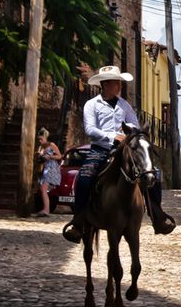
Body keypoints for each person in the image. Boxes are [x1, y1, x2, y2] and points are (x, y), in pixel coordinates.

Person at [62, 65, 140, 243]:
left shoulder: (124, 105)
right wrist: (112, 136)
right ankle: (79, 221)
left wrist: (129, 131)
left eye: (119, 82)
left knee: (150, 172)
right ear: (104, 85)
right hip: (100, 149)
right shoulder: (92, 104)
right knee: (84, 177)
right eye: (115, 82)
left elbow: (135, 123)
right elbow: (90, 129)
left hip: (124, 149)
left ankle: (157, 214)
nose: (119, 86)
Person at [33, 127, 61, 218]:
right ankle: (46, 209)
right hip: (44, 169)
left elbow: (59, 156)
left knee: (43, 189)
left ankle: (46, 210)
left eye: (41, 139)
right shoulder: (41, 147)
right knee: (42, 189)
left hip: (51, 169)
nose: (40, 141)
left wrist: (50, 156)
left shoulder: (51, 145)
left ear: (45, 137)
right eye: (39, 139)